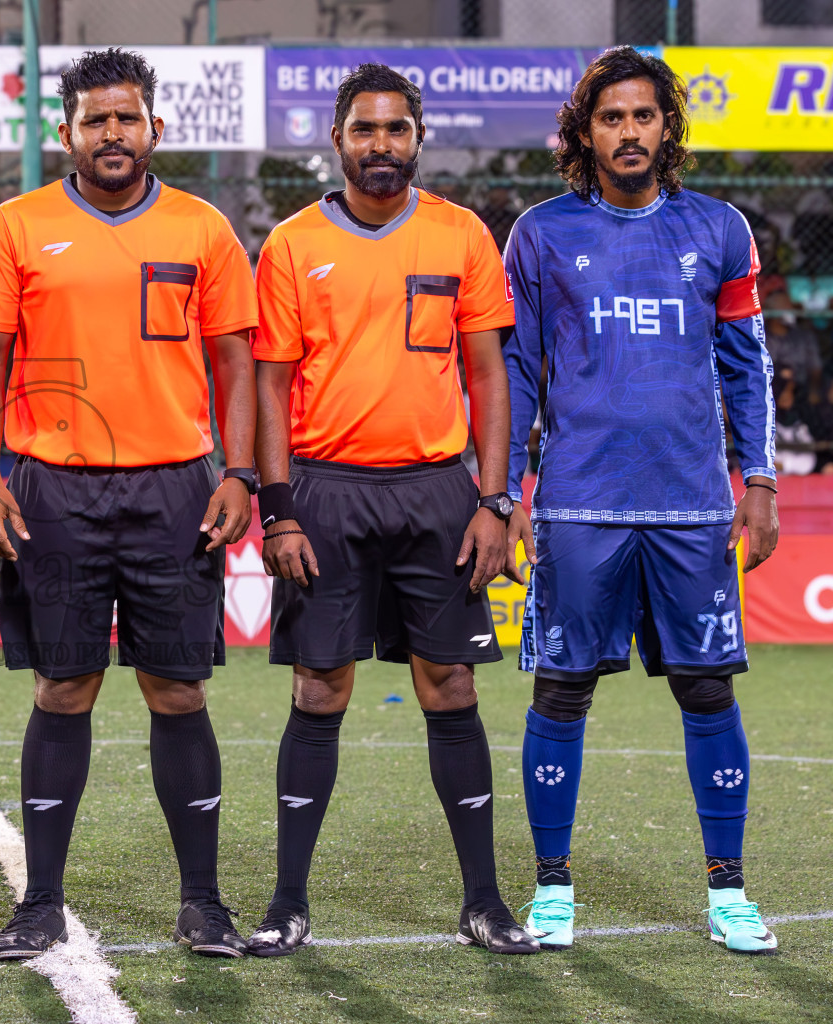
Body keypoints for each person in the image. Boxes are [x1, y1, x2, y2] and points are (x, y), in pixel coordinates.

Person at [0, 48, 260, 961]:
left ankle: (203, 903)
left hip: (176, 486)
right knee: (65, 684)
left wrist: (240, 471)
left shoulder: (204, 229)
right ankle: (40, 903)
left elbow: (237, 363)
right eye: (95, 120)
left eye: (127, 118)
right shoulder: (18, 226)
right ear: (67, 133)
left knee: (177, 687)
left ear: (155, 127)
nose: (112, 133)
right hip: (54, 485)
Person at [247, 63, 536, 958]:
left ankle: (484, 901)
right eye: (365, 130)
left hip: (437, 491)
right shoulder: (292, 244)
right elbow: (270, 386)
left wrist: (495, 498)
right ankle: (289, 902)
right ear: (336, 140)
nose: (381, 146)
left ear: (418, 138)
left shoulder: (461, 237)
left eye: (397, 130)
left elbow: (490, 375)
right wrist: (279, 510)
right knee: (319, 686)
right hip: (327, 490)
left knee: (449, 684)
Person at [503, 47, 780, 954]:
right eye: (612, 118)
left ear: (669, 127)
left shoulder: (722, 229)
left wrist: (762, 480)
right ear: (586, 131)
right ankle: (552, 889)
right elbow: (517, 374)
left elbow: (748, 368)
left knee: (707, 690)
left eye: (645, 116)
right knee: (562, 691)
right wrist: (507, 493)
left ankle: (728, 893)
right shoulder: (540, 235)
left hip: (693, 506)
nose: (630, 132)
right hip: (580, 506)